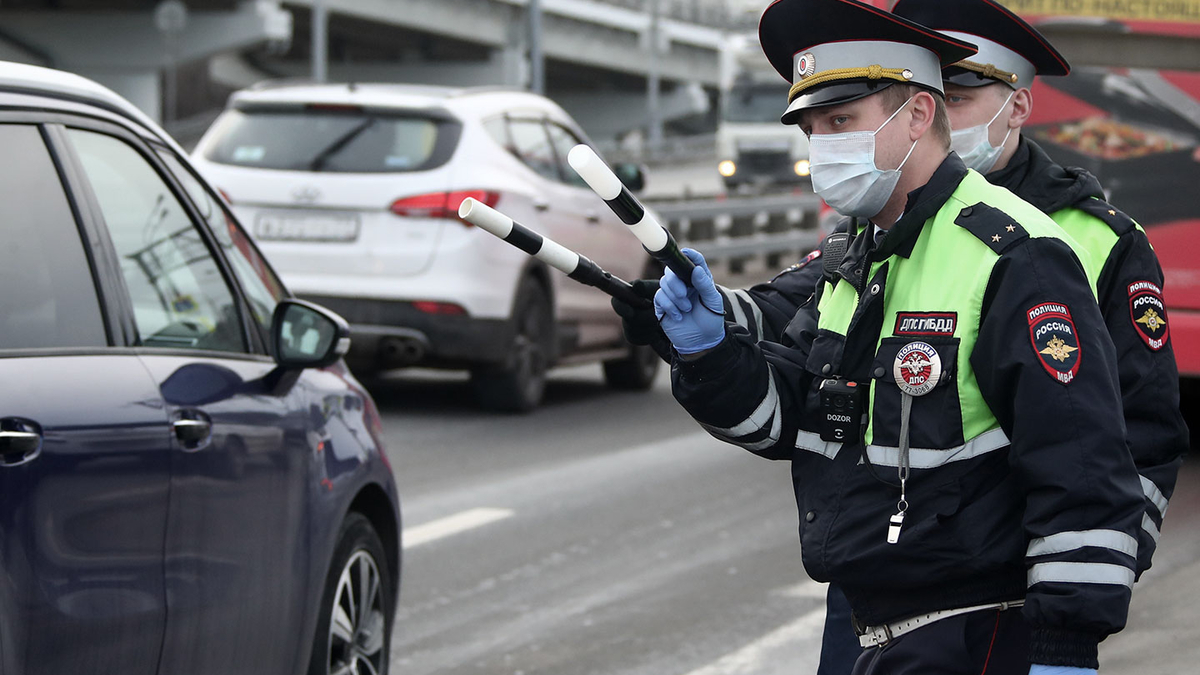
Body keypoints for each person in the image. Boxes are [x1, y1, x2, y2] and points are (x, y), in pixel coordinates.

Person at [648, 0, 1146, 672]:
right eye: (814, 128)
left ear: (916, 114)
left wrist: (1065, 644)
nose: (823, 145)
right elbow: (792, 418)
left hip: (973, 631)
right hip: (866, 621)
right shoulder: (858, 251)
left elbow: (1079, 462)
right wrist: (709, 354)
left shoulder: (1012, 254)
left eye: (842, 121)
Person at [889, 0, 1188, 581]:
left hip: (1012, 588)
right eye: (921, 103)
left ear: (1018, 105)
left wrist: (1092, 575)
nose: (935, 123)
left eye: (957, 99)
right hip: (880, 579)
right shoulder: (882, 229)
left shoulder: (1102, 240)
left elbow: (1145, 436)